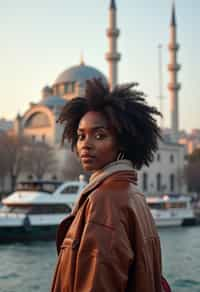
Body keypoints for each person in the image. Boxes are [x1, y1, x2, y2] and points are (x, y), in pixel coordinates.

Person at [51, 79, 171, 292]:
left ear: (123, 142)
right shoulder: (133, 194)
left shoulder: (104, 201)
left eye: (99, 135)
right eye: (81, 136)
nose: (85, 144)